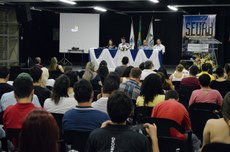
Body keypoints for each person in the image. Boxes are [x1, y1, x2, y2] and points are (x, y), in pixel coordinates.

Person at [86, 91, 159, 152]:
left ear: (108, 111)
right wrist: (154, 139)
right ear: (130, 112)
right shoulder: (141, 140)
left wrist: (100, 131)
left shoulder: (95, 136)